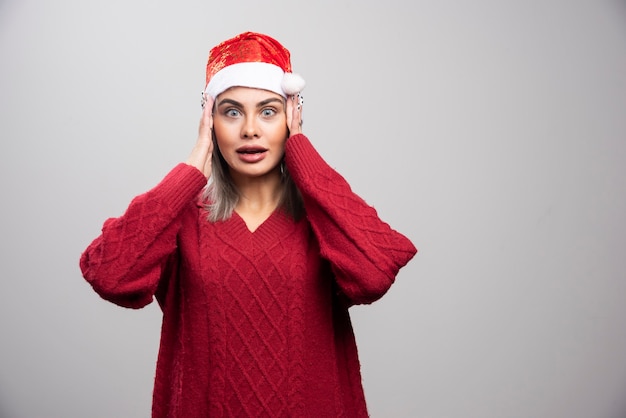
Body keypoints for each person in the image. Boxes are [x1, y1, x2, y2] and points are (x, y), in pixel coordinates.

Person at [80, 31, 417, 418]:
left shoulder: (323, 220)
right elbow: (110, 275)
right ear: (210, 120)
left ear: (293, 117)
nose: (250, 130)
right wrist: (192, 168)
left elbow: (376, 273)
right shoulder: (181, 217)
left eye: (269, 111)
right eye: (232, 112)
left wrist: (304, 156)